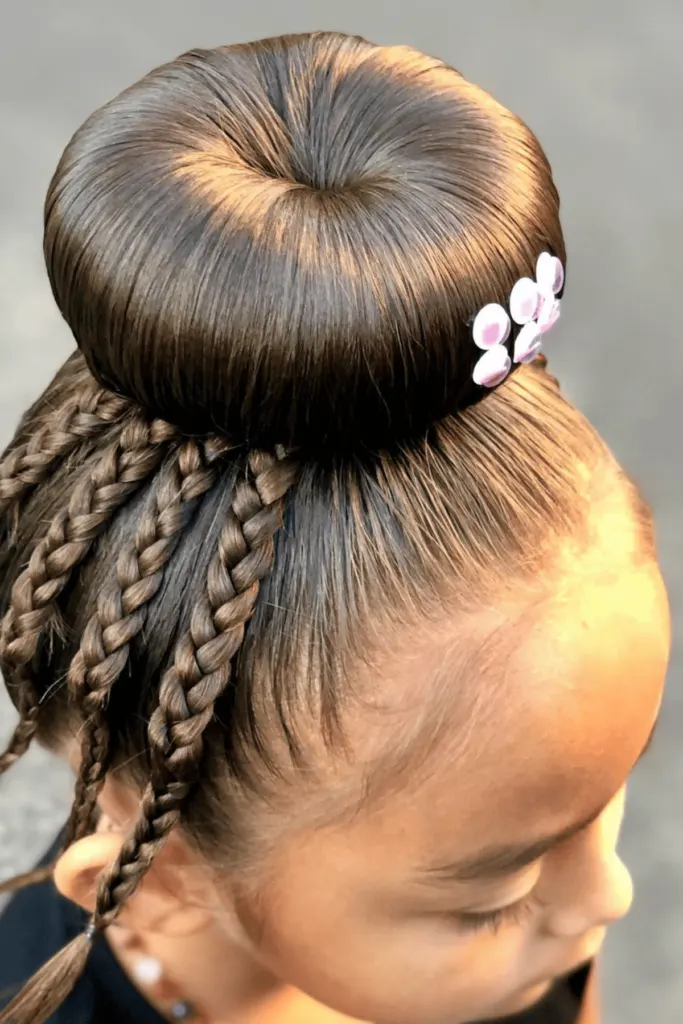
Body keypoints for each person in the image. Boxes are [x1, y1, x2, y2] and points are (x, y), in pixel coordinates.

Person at [0, 29, 670, 1024]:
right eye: (490, 898)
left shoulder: (527, 961)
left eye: (601, 795)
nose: (603, 898)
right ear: (165, 877)